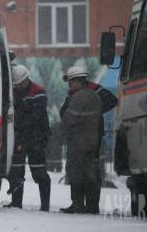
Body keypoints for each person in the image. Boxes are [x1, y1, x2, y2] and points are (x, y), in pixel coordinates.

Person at [60, 66, 117, 214]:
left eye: (71, 82)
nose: (69, 85)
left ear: (78, 80)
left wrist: (89, 114)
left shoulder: (90, 91)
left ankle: (78, 204)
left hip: (81, 138)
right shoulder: (82, 94)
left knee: (77, 170)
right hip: (93, 137)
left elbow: (67, 117)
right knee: (91, 171)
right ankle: (91, 205)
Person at [4, 64, 51, 211]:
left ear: (26, 79)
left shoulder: (38, 92)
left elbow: (35, 117)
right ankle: (16, 203)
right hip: (19, 137)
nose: (17, 87)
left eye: (19, 84)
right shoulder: (14, 92)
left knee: (39, 172)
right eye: (15, 84)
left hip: (36, 138)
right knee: (16, 170)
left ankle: (45, 206)